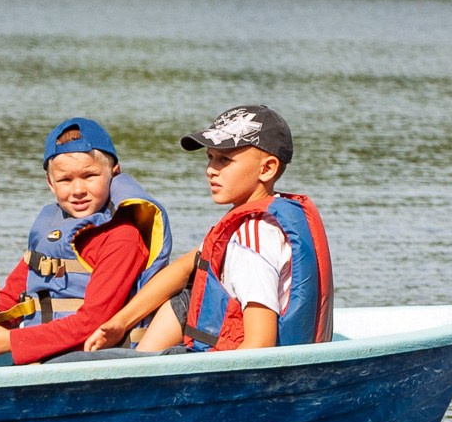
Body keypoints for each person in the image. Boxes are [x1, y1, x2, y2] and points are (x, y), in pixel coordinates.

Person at [81, 103, 335, 355]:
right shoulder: (262, 218)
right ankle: (141, 363)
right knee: (188, 293)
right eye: (210, 158)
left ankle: (139, 374)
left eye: (225, 160)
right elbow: (185, 267)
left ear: (267, 169)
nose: (211, 170)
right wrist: (121, 322)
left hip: (243, 375)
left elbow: (260, 344)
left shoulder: (251, 241)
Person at [0, 116, 173, 364]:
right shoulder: (50, 228)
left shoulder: (122, 237)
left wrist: (12, 342)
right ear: (50, 183)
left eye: (90, 175)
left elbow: (93, 322)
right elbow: (19, 294)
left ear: (114, 173)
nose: (78, 189)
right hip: (49, 354)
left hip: (97, 359)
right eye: (65, 180)